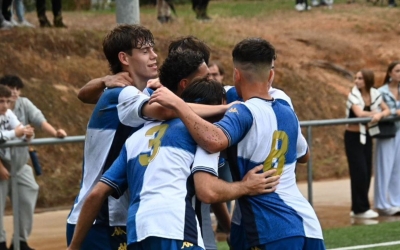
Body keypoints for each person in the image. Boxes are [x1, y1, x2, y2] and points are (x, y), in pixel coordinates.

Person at [67, 73, 279, 250]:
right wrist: (246, 186)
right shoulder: (201, 134)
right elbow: (208, 192)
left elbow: (96, 194)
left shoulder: (135, 139)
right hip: (174, 225)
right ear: (218, 107)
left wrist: (73, 247)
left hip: (136, 232)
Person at [149, 37, 325, 250]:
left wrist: (177, 104)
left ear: (236, 74)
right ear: (271, 74)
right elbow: (304, 155)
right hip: (307, 225)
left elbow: (213, 147)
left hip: (269, 228)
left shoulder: (237, 113)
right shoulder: (284, 104)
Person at [67, 29, 232, 249]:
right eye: (145, 51)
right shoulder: (122, 94)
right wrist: (226, 109)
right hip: (100, 218)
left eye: (154, 49)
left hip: (128, 217)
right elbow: (167, 110)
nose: (154, 55)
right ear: (124, 58)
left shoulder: (147, 92)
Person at [0, 75, 67, 250]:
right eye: (9, 88)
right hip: (1, 164)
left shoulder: (21, 106)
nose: (13, 92)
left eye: (16, 89)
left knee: (29, 191)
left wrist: (55, 133)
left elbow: (39, 120)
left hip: (19, 164)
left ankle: (20, 241)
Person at [344, 69, 390, 219]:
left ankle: (359, 208)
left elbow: (387, 110)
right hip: (353, 138)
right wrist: (375, 115)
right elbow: (360, 113)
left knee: (367, 171)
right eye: (356, 78)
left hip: (367, 136)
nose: (357, 81)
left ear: (368, 80)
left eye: (360, 78)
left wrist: (381, 114)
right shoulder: (353, 95)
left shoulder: (374, 94)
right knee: (359, 172)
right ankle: (360, 209)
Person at [374, 61, 400, 216]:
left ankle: (396, 201)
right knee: (384, 167)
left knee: (398, 168)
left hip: (399, 132)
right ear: (390, 73)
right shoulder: (381, 92)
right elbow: (378, 109)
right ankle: (382, 203)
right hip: (387, 132)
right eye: (397, 70)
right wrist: (393, 112)